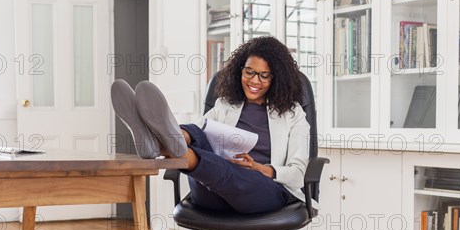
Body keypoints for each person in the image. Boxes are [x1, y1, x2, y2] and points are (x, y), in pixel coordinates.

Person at [111, 36, 310, 214]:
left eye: (264, 75)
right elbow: (198, 134)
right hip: (210, 191)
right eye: (249, 72)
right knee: (197, 132)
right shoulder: (225, 104)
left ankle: (157, 142)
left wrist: (259, 168)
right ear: (240, 70)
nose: (254, 80)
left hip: (260, 192)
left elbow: (297, 174)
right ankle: (162, 139)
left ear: (276, 79)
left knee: (218, 166)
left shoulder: (293, 115)